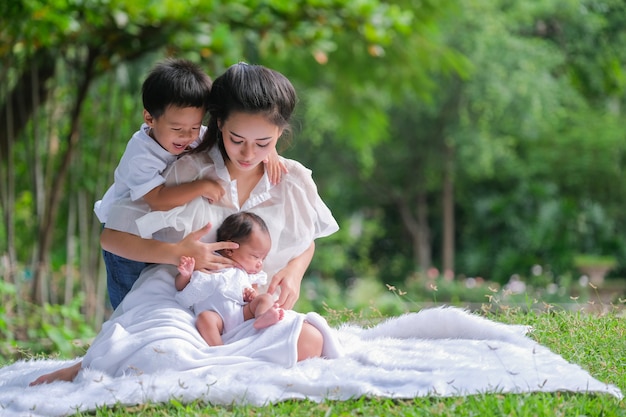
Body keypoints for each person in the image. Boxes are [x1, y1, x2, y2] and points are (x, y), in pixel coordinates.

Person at [30, 62, 341, 386]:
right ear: (218, 123)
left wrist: (294, 273)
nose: (249, 153)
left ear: (279, 132)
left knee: (311, 341)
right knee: (163, 354)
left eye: (262, 142)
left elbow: (305, 240)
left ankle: (207, 359)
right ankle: (116, 357)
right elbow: (113, 236)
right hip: (179, 301)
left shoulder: (292, 180)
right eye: (237, 140)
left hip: (244, 308)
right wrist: (177, 253)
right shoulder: (187, 171)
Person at [93, 58, 225, 308]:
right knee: (128, 301)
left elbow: (226, 138)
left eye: (194, 127)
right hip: (126, 234)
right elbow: (157, 200)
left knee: (154, 294)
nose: (187, 137)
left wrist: (270, 151)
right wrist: (202, 186)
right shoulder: (140, 155)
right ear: (150, 118)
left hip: (153, 228)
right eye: (177, 129)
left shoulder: (191, 133)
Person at [175, 211, 284, 346]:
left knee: (265, 298)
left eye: (263, 258)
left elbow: (254, 295)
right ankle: (218, 349)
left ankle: (262, 318)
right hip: (216, 318)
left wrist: (252, 296)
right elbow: (181, 287)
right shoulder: (209, 262)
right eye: (256, 257)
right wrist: (186, 275)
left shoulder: (248, 275)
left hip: (241, 314)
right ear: (230, 249)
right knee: (204, 319)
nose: (260, 263)